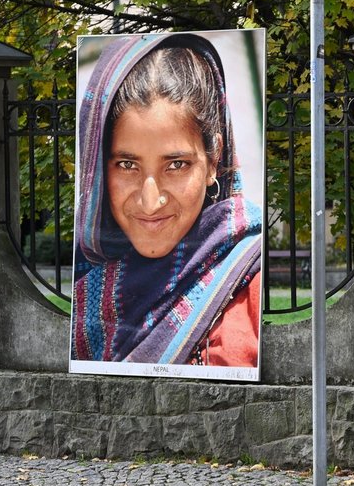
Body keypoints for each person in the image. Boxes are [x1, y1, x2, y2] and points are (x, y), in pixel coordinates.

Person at [71, 33, 262, 367]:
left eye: (176, 165)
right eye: (127, 165)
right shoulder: (81, 283)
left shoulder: (250, 281)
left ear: (213, 159)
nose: (151, 200)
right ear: (98, 167)